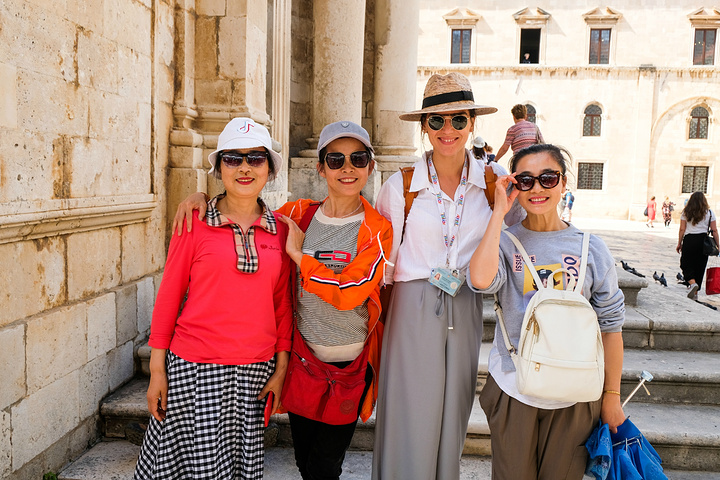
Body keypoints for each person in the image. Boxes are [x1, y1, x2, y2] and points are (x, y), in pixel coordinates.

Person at [172, 121, 392, 480]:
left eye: (358, 158)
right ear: (320, 168)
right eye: (335, 160)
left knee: (325, 467)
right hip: (304, 364)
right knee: (305, 463)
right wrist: (204, 199)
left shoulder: (377, 228)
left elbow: (350, 292)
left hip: (349, 367)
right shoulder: (296, 214)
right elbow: (246, 209)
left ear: (370, 165)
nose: (347, 168)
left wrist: (300, 256)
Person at [372, 72, 523, 480]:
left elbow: (528, 226)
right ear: (424, 126)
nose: (448, 129)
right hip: (412, 304)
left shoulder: (492, 183)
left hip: (465, 301)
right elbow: (375, 250)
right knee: (409, 410)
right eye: (436, 120)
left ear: (472, 122)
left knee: (454, 411)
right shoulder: (400, 185)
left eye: (458, 119)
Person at [134, 118, 293, 480]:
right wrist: (157, 371)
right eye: (233, 159)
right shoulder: (193, 221)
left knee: (238, 470)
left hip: (255, 372)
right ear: (219, 168)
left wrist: (281, 370)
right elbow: (169, 298)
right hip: (194, 367)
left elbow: (282, 307)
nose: (244, 168)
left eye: (255, 158)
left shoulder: (282, 230)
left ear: (269, 168)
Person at [468, 144, 626, 480]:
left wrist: (611, 397)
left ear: (564, 183)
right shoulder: (505, 242)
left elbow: (611, 326)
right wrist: (499, 212)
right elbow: (480, 280)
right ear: (515, 187)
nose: (537, 188)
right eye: (525, 180)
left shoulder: (591, 248)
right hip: (515, 387)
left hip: (576, 393)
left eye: (548, 178)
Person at [676, 191, 719, 299]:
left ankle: (692, 283)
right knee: (700, 266)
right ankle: (695, 291)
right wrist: (718, 245)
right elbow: (714, 230)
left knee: (685, 264)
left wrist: (679, 243)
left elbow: (682, 229)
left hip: (689, 240)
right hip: (703, 242)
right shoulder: (709, 213)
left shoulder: (686, 212)